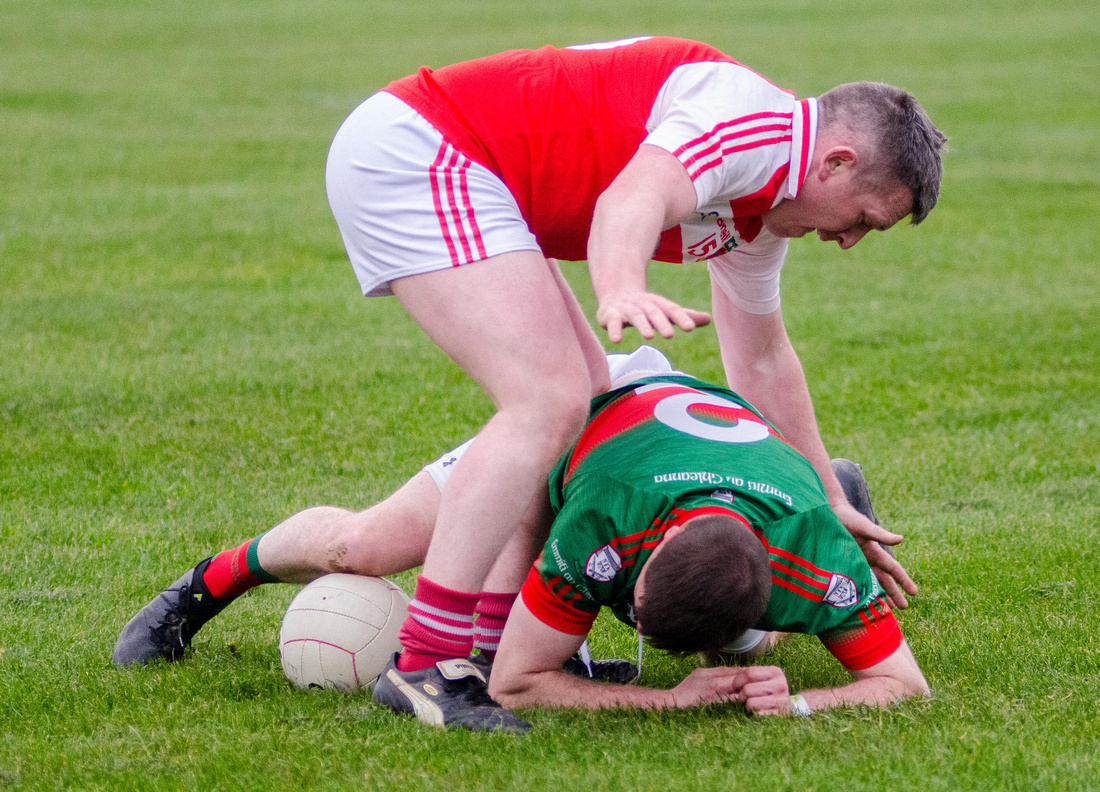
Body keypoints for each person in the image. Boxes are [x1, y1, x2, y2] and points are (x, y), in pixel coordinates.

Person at [321, 35, 945, 730]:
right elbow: (633, 196)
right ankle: (424, 664)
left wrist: (828, 496)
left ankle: (497, 649)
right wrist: (620, 289)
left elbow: (763, 360)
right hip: (422, 149)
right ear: (836, 162)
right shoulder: (752, 125)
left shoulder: (763, 217)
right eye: (862, 218)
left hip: (469, 169)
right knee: (549, 401)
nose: (851, 240)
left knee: (581, 403)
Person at [114, 348, 928, 732]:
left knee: (747, 652)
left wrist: (798, 702)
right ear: (643, 565)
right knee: (364, 547)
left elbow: (905, 685)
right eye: (635, 609)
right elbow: (515, 682)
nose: (634, 629)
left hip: (742, 494)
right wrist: (660, 700)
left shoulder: (816, 556)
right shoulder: (603, 519)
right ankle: (208, 583)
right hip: (588, 411)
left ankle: (825, 510)